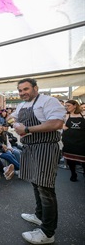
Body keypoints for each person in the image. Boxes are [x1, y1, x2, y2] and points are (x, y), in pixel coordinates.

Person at [11, 78, 66, 244]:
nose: (22, 93)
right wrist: (17, 125)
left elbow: (56, 123)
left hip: (46, 147)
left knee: (46, 189)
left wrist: (27, 129)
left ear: (35, 88)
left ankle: (48, 233)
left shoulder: (48, 101)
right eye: (20, 90)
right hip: (30, 148)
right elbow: (14, 119)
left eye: (26, 89)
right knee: (35, 183)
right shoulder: (21, 106)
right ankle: (39, 215)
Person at [61, 100, 85, 182]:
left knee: (84, 160)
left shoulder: (83, 115)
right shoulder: (66, 116)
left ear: (75, 105)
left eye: (68, 105)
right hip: (69, 141)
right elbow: (60, 124)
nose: (66, 107)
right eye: (66, 106)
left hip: (82, 141)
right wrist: (63, 126)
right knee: (70, 160)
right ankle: (73, 174)